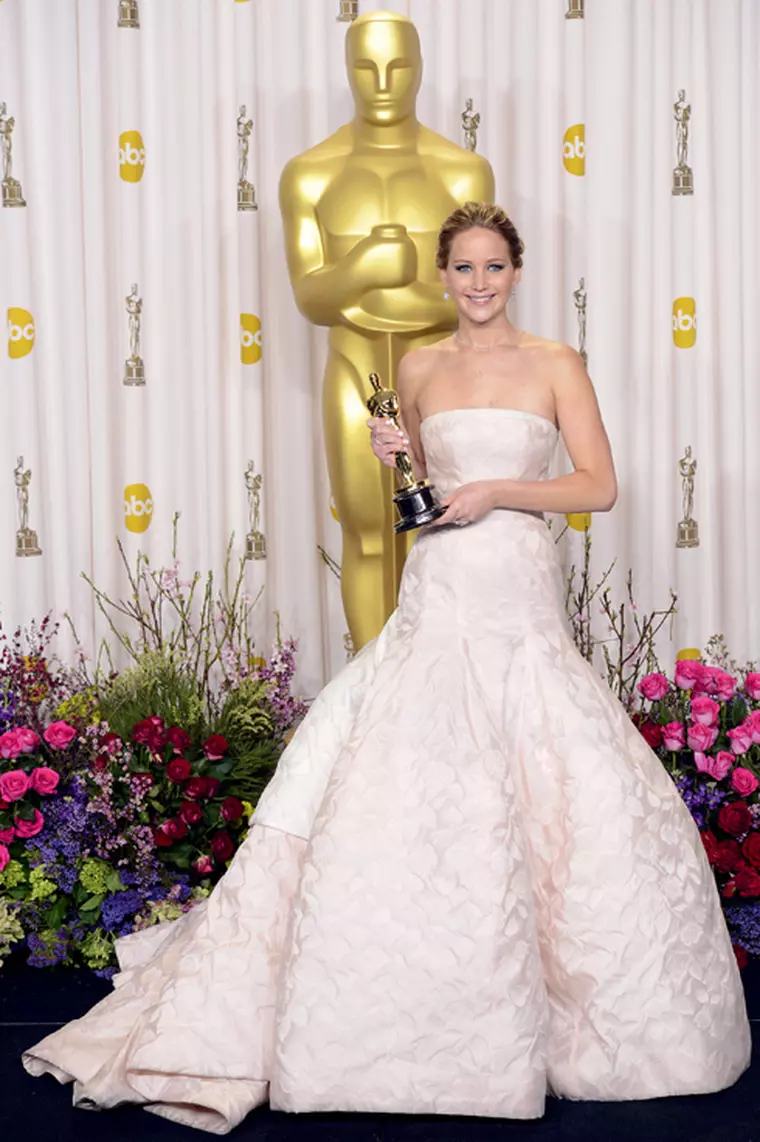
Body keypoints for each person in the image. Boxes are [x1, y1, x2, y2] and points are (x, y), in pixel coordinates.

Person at [23, 202, 750, 1133]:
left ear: (514, 273)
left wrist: (498, 491)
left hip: (518, 583)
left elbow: (597, 486)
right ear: (443, 278)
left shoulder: (555, 364)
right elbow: (412, 495)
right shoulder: (417, 366)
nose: (479, 283)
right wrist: (390, 455)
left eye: (494, 267)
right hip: (440, 580)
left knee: (550, 761)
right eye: (464, 269)